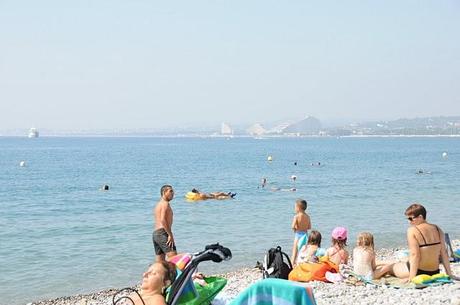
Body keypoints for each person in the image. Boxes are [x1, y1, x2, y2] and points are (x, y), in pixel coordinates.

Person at [390, 203, 459, 281]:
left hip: (418, 272)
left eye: (411, 219)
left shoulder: (412, 230)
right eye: (408, 219)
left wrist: (412, 277)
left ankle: (374, 267)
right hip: (435, 272)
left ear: (420, 217)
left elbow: (415, 255)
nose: (409, 222)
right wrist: (449, 274)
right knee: (400, 262)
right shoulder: (437, 229)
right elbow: (444, 253)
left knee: (389, 267)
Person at [153, 185, 177, 262]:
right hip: (162, 233)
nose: (173, 193)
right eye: (170, 191)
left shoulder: (158, 204)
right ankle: (177, 274)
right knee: (175, 259)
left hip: (156, 234)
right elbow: (163, 220)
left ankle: (152, 273)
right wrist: (170, 234)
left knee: (160, 263)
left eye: (173, 191)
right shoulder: (165, 204)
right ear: (164, 192)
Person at [291, 199, 311, 264]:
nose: (294, 209)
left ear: (298, 208)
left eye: (295, 207)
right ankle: (302, 263)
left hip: (298, 235)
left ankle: (292, 264)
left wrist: (295, 230)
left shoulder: (296, 216)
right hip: (305, 235)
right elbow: (309, 227)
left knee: (295, 251)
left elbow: (293, 226)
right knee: (304, 252)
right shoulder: (308, 216)